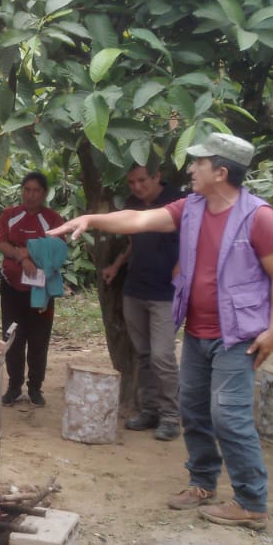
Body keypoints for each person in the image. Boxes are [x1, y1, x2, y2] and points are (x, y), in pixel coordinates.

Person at [50, 132, 273, 530]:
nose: (191, 168)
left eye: (199, 163)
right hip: (198, 331)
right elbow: (139, 219)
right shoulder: (191, 207)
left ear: (221, 172)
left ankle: (251, 502)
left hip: (238, 336)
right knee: (193, 409)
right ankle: (203, 483)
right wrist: (91, 219)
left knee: (229, 416)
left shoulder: (258, 217)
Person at [102, 164, 185, 441]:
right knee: (145, 354)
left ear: (157, 176)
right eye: (131, 182)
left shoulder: (178, 201)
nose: (137, 187)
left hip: (166, 293)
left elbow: (195, 240)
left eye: (142, 180)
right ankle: (150, 411)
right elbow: (132, 243)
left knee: (162, 356)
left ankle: (170, 416)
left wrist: (183, 267)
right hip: (135, 288)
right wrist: (116, 265)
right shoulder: (132, 204)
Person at [0, 172, 66, 407]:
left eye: (36, 190)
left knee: (39, 338)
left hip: (42, 290)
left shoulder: (53, 219)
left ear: (44, 193)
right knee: (13, 337)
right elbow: (1, 243)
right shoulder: (10, 214)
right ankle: (14, 386)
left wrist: (29, 252)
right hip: (12, 286)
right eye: (26, 189)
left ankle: (35, 387)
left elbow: (58, 249)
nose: (30, 195)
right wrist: (22, 256)